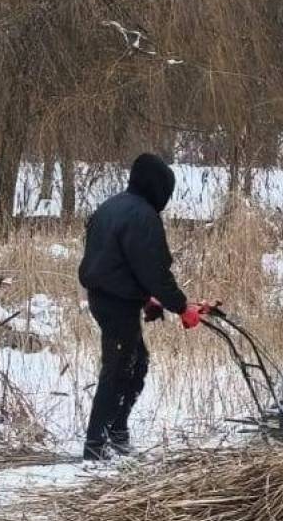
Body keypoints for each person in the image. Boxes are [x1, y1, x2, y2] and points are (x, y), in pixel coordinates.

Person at [76, 153, 209, 461]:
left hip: (107, 296)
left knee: (136, 363)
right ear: (157, 187)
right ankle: (96, 447)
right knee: (119, 368)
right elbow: (154, 271)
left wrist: (146, 298)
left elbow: (119, 261)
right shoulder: (142, 216)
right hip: (115, 302)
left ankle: (116, 431)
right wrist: (181, 307)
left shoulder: (113, 206)